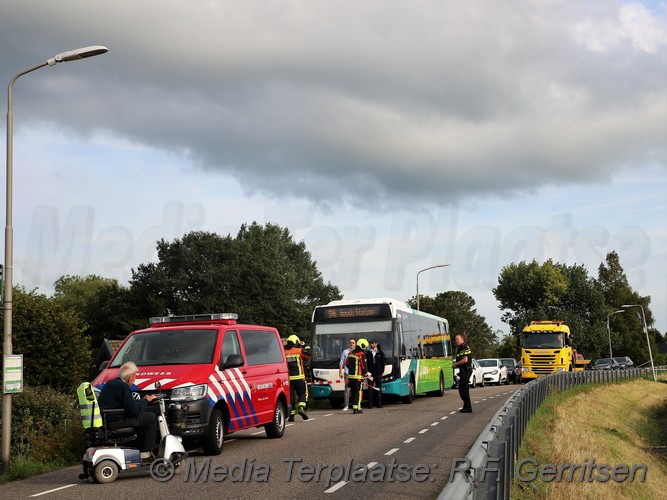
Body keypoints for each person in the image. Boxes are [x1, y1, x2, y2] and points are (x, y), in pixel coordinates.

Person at [97, 361, 158, 458]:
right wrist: (146, 400)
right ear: (130, 377)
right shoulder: (123, 386)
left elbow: (128, 404)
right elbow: (134, 411)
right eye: (135, 376)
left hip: (108, 420)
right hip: (117, 422)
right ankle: (145, 451)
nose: (135, 379)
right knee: (151, 417)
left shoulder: (111, 383)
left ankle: (139, 447)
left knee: (145, 415)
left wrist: (142, 401)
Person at [284, 334, 312, 421]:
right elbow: (310, 355)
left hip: (289, 379)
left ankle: (291, 416)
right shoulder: (299, 350)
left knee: (291, 397)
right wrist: (305, 345)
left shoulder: (283, 352)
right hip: (300, 377)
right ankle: (301, 408)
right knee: (302, 394)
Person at [452, 333, 472, 413]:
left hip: (466, 371)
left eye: (457, 339)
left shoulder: (464, 347)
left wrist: (456, 364)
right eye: (455, 339)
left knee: (463, 390)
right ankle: (466, 406)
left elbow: (465, 360)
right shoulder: (461, 347)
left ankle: (468, 407)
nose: (456, 341)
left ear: (461, 339)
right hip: (463, 371)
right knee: (462, 389)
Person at [347, 338, 367, 414]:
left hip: (350, 377)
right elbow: (363, 366)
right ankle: (358, 408)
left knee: (353, 393)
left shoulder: (350, 354)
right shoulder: (361, 355)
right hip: (358, 377)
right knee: (358, 393)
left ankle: (354, 407)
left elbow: (347, 364)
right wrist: (365, 374)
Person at [366, 340, 385, 408]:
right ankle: (370, 404)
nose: (371, 345)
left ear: (376, 344)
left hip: (378, 373)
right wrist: (367, 372)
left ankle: (379, 404)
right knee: (370, 389)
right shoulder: (368, 353)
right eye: (370, 344)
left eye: (372, 343)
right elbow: (366, 363)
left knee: (378, 388)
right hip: (370, 374)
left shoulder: (380, 353)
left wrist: (382, 371)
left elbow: (383, 362)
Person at [339, 338, 356, 411]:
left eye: (353, 343)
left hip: (355, 373)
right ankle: (346, 405)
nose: (351, 344)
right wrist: (340, 372)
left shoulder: (357, 352)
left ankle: (356, 404)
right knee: (347, 389)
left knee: (356, 389)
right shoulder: (345, 352)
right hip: (347, 373)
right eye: (350, 342)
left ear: (355, 344)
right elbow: (341, 362)